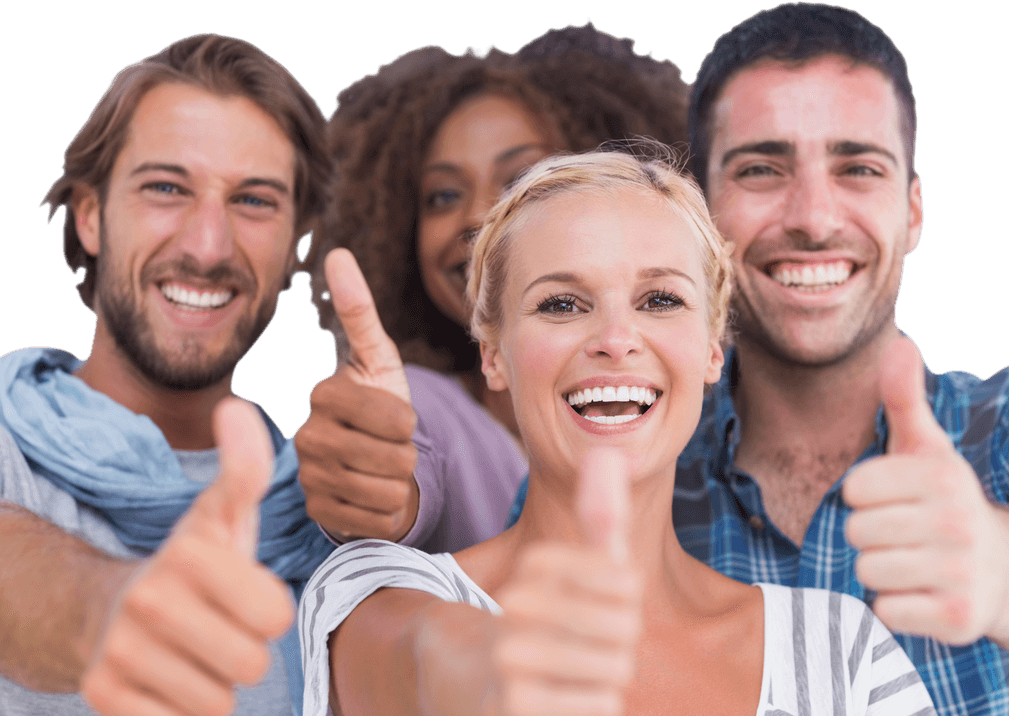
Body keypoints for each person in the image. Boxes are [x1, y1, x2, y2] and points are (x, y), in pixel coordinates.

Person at [512, 4, 1009, 713]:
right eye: (761, 169)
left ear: (913, 213)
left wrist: (1006, 571)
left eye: (858, 168)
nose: (813, 217)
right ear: (705, 220)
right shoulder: (615, 456)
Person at [298, 149, 936, 716]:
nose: (614, 340)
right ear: (494, 355)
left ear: (712, 348)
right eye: (561, 304)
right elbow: (430, 664)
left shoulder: (841, 652)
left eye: (660, 300)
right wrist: (500, 679)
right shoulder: (373, 592)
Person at [0, 34, 335, 716]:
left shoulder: (322, 521)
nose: (206, 246)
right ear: (90, 216)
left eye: (254, 201)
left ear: (295, 244)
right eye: (165, 188)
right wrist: (112, 610)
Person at [294, 23, 689, 552]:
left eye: (519, 180)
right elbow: (400, 469)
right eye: (442, 195)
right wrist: (374, 489)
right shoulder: (426, 405)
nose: (479, 214)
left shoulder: (679, 402)